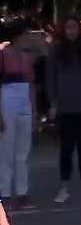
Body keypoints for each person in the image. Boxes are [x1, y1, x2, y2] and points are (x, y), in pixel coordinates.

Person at [48, 14, 81, 204]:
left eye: (74, 27)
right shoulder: (56, 50)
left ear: (79, 29)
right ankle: (64, 187)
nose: (71, 31)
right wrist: (53, 103)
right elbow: (51, 78)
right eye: (68, 27)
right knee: (66, 149)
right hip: (64, 107)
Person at [0, 21, 36, 210]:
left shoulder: (27, 57)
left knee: (23, 152)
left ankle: (23, 194)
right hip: (7, 101)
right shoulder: (3, 55)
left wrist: (34, 112)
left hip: (24, 103)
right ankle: (4, 194)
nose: (27, 38)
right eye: (25, 35)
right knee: (6, 151)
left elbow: (31, 86)